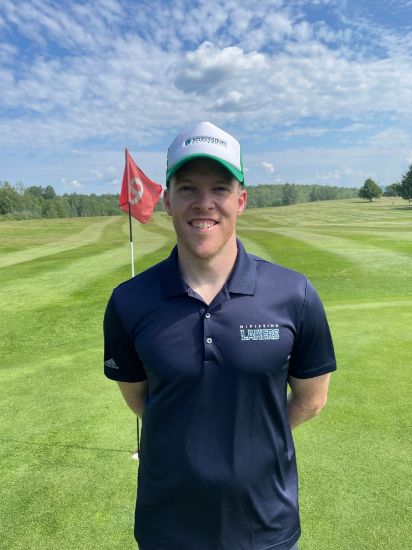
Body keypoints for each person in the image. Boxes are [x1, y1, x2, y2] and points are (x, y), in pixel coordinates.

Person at [103, 121, 336, 550]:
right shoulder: (129, 301)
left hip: (265, 527)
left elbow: (312, 398)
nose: (204, 203)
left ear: (241, 200)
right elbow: (141, 400)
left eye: (220, 189)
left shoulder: (294, 293)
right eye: (188, 188)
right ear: (168, 201)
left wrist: (256, 442)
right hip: (166, 528)